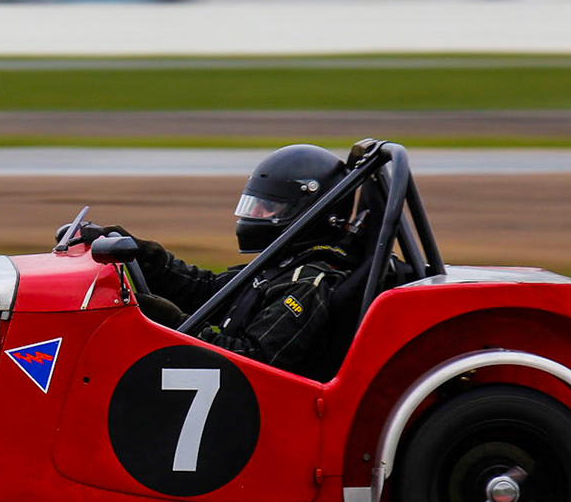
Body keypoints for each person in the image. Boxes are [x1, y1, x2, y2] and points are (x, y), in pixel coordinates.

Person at [68, 143, 362, 379]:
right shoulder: (282, 264)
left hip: (260, 402)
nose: (256, 214)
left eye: (268, 207)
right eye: (255, 204)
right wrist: (141, 253)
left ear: (315, 213)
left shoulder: (307, 283)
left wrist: (170, 322)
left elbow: (252, 364)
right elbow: (207, 289)